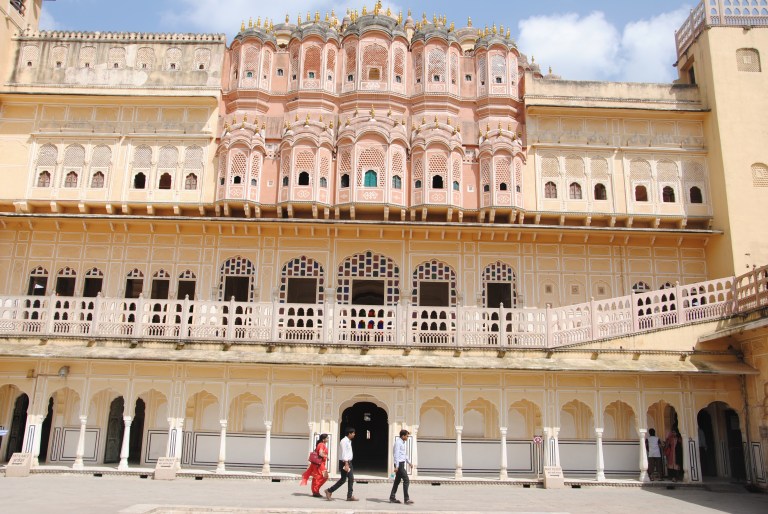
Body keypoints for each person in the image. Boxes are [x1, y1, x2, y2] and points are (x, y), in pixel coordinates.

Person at [325, 427, 357, 502]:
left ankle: (349, 496)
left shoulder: (349, 441)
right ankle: (329, 491)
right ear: (349, 433)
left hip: (349, 462)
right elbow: (344, 453)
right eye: (353, 433)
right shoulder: (344, 441)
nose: (354, 434)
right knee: (344, 479)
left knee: (350, 479)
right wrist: (346, 463)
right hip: (345, 462)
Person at [300, 433, 329, 498]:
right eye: (327, 438)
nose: (328, 439)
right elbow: (320, 453)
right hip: (320, 464)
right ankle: (316, 491)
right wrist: (326, 456)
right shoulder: (321, 445)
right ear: (323, 439)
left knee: (317, 477)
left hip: (318, 464)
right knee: (324, 476)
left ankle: (315, 491)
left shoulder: (320, 444)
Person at [390, 429, 414, 504]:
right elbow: (396, 454)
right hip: (399, 464)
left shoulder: (402, 442)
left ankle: (392, 497)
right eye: (407, 436)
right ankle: (406, 499)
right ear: (403, 436)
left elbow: (404, 454)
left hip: (401, 464)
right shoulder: (398, 443)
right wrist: (396, 466)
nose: (407, 437)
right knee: (406, 480)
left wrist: (409, 462)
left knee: (397, 481)